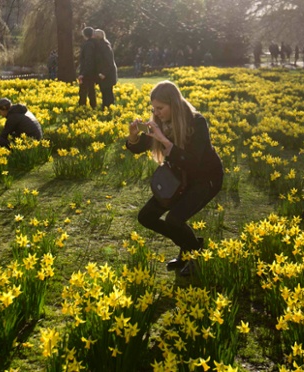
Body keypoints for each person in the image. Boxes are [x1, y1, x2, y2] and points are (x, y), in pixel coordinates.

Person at [126, 81, 224, 276]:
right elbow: (141, 145)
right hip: (178, 179)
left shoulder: (197, 123)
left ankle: (193, 256)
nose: (157, 112)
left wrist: (163, 139)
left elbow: (193, 162)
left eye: (160, 108)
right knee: (146, 217)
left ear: (174, 105)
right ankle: (191, 247)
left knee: (174, 219)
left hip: (205, 179)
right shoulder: (162, 121)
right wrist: (133, 137)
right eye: (154, 108)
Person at [93, 29, 118, 109]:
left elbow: (109, 62)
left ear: (98, 37)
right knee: (104, 92)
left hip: (107, 74)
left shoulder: (105, 46)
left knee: (107, 92)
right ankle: (105, 108)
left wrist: (104, 73)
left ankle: (109, 108)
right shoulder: (101, 45)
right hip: (104, 73)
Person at [77, 27, 97, 108]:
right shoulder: (95, 44)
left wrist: (83, 73)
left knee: (84, 91)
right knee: (91, 90)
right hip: (92, 71)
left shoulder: (88, 45)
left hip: (87, 72)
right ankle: (93, 106)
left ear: (84, 35)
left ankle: (83, 107)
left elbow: (88, 60)